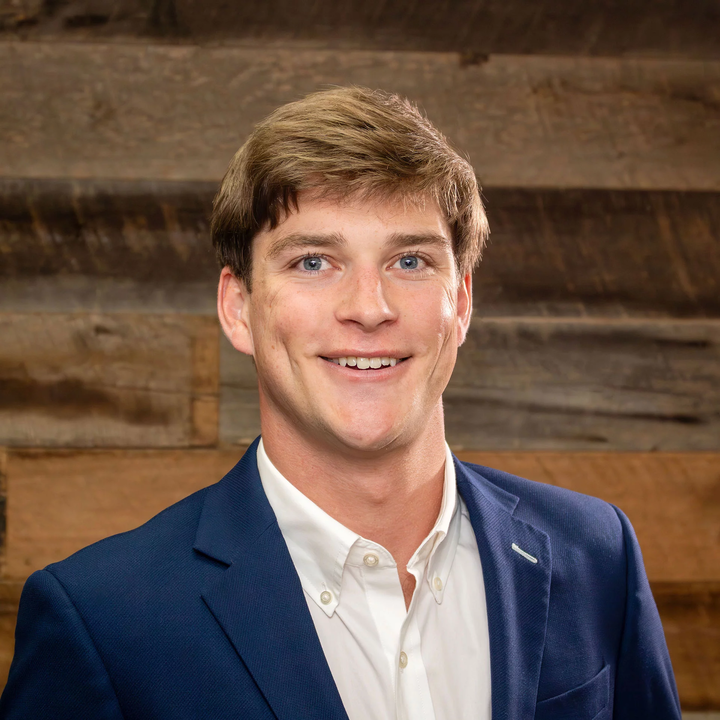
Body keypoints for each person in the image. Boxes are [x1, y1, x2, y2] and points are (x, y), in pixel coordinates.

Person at [0, 87, 680, 720]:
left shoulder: (597, 555)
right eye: (313, 262)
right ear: (237, 308)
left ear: (462, 303)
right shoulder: (103, 620)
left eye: (409, 261)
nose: (369, 308)